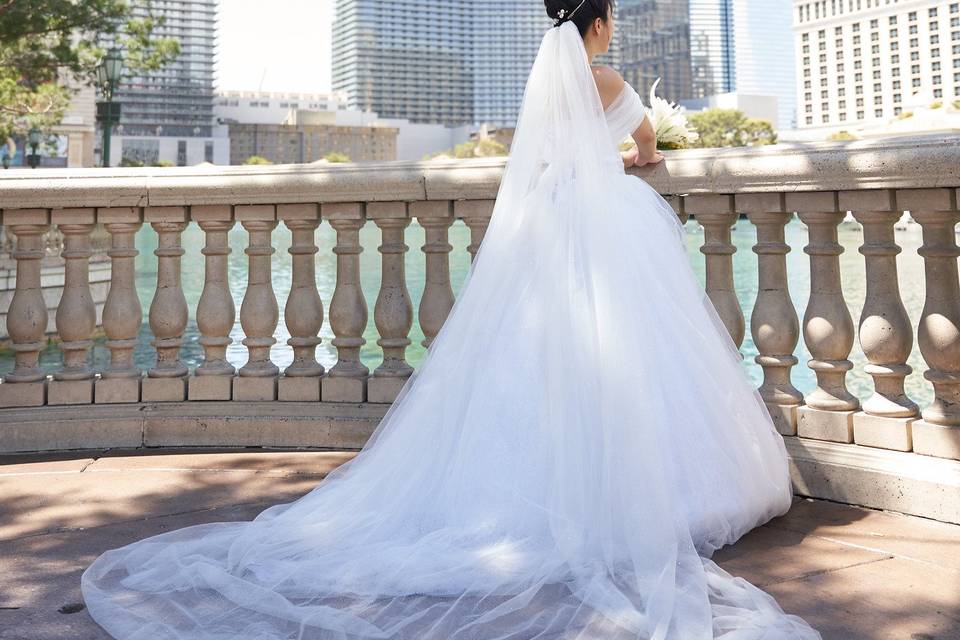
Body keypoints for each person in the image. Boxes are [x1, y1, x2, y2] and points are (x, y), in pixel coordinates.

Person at [81, 1, 822, 638]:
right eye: (612, 16)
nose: (613, 26)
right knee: (637, 352)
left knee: (535, 363)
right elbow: (644, 150)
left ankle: (538, 489)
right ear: (598, 24)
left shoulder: (543, 87)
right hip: (609, 226)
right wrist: (629, 163)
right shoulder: (609, 80)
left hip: (548, 229)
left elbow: (541, 165)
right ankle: (654, 490)